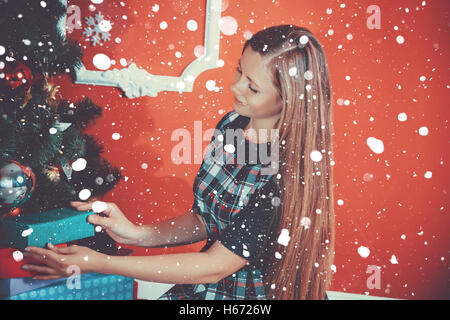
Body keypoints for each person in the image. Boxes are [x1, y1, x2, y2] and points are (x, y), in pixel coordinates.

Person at [22, 24, 335, 300]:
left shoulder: (285, 176)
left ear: (288, 99)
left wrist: (97, 262)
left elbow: (213, 267)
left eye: (252, 86)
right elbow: (206, 219)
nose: (235, 86)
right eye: (240, 70)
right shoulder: (232, 125)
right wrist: (136, 233)